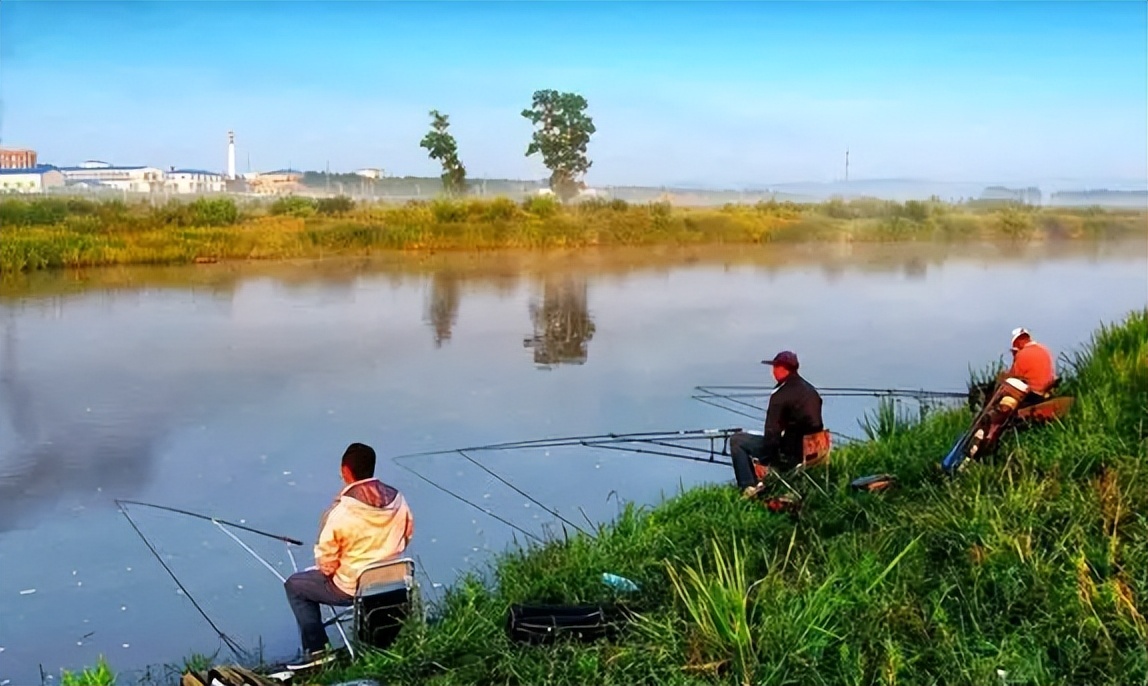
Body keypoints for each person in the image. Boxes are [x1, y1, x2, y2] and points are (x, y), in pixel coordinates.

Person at [284, 442, 414, 668]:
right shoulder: (398, 500)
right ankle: (386, 638)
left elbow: (326, 564)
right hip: (395, 582)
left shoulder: (341, 512)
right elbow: (407, 534)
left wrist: (331, 570)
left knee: (295, 586)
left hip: (353, 588)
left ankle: (317, 653)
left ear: (345, 471)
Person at [729, 350, 824, 498]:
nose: (772, 371)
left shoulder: (780, 395)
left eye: (775, 367)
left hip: (789, 456)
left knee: (737, 440)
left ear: (782, 369)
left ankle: (749, 487)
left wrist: (766, 458)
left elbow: (772, 432)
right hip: (813, 451)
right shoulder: (811, 390)